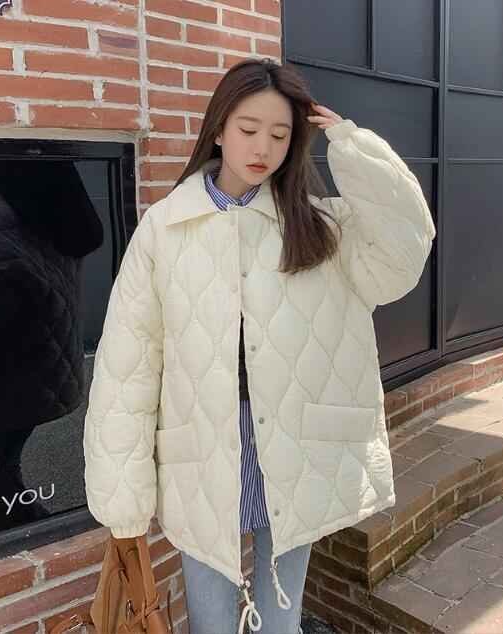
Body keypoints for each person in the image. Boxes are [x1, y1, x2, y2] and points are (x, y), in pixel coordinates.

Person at [83, 58, 436, 634]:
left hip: (296, 443)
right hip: (201, 447)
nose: (263, 148)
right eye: (248, 129)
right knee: (210, 619)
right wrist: (122, 497)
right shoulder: (166, 228)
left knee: (281, 617)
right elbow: (129, 363)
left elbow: (404, 251)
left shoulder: (321, 226)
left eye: (280, 134)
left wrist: (354, 149)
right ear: (219, 129)